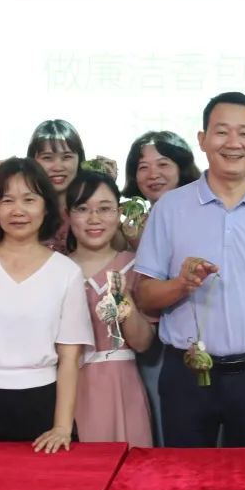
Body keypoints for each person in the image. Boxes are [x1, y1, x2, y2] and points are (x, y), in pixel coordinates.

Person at [135, 92, 245, 447]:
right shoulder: (170, 208)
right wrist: (181, 284)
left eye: (244, 133)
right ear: (202, 139)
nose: (233, 143)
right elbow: (144, 295)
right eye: (221, 132)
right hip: (185, 373)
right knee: (186, 476)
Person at [0, 158, 94, 452]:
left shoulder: (66, 272)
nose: (18, 210)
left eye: (29, 199)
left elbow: (69, 358)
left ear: (46, 207)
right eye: (7, 200)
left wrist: (62, 427)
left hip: (40, 401)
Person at [120, 130, 201, 445]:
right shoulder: (129, 224)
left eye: (163, 164)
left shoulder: (202, 215)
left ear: (181, 167)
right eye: (143, 167)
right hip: (147, 343)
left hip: (192, 343)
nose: (153, 174)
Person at [65, 170, 154, 446]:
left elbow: (143, 343)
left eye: (104, 209)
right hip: (66, 385)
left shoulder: (136, 265)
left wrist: (124, 302)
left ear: (118, 213)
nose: (94, 218)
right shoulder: (55, 268)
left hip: (120, 385)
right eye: (82, 209)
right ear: (68, 215)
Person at [28, 119, 86, 255]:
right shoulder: (21, 210)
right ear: (32, 161)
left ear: (80, 160)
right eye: (47, 158)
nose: (58, 167)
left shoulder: (93, 210)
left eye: (66, 157)